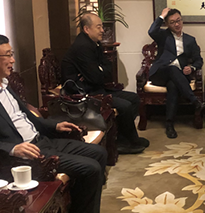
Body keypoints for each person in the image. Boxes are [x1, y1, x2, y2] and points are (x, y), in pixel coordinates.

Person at [0, 33, 109, 213]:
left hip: (41, 140)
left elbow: (28, 117)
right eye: (8, 55)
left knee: (99, 153)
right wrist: (13, 149)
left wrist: (54, 125)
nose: (13, 60)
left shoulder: (4, 85)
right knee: (89, 168)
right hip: (25, 155)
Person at [61, 13, 148, 155]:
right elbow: (96, 77)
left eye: (101, 26)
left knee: (134, 98)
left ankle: (126, 138)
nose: (102, 30)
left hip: (95, 88)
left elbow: (107, 69)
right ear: (87, 29)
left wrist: (99, 70)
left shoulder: (94, 44)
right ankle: (123, 142)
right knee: (125, 106)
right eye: (98, 27)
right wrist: (99, 70)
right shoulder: (82, 46)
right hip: (83, 94)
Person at [148, 7, 205, 139]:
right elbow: (151, 31)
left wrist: (192, 68)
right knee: (172, 69)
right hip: (160, 73)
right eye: (172, 22)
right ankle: (194, 101)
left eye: (178, 20)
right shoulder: (163, 36)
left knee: (173, 86)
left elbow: (199, 60)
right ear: (167, 24)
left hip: (178, 77)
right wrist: (161, 16)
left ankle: (169, 125)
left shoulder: (190, 40)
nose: (177, 24)